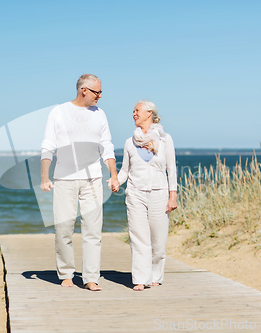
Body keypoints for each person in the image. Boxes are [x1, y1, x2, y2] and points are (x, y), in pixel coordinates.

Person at [40, 74, 119, 291]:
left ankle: (91, 277)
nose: (100, 96)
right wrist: (44, 177)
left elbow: (107, 146)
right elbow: (48, 144)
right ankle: (66, 274)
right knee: (64, 228)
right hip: (64, 179)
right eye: (97, 92)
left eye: (101, 92)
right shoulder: (58, 112)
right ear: (84, 90)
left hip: (93, 178)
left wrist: (113, 174)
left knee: (93, 230)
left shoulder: (100, 114)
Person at [114, 100, 177, 291]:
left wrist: (172, 196)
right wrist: (117, 180)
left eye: (137, 110)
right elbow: (125, 170)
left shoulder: (165, 139)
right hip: (135, 194)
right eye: (133, 111)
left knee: (158, 240)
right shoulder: (129, 142)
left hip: (159, 192)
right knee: (138, 237)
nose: (133, 114)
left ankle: (155, 274)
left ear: (149, 113)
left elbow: (171, 169)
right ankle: (140, 278)